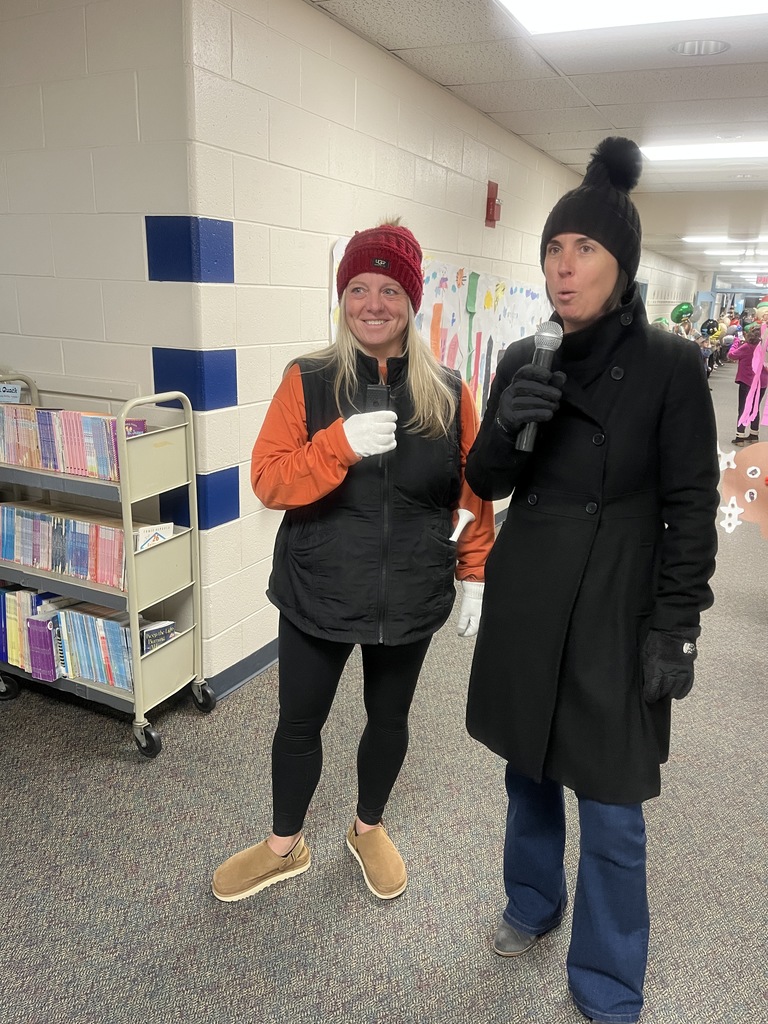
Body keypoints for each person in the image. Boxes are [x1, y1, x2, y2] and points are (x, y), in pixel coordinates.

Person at [463, 137, 719, 1024]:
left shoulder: (673, 367)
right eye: (553, 251)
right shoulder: (522, 359)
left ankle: (607, 980)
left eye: (585, 252)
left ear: (622, 266)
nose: (563, 270)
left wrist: (676, 625)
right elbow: (487, 480)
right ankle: (533, 901)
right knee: (527, 768)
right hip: (531, 591)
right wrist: (503, 425)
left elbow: (691, 505)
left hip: (618, 598)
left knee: (613, 803)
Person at [212, 221, 495, 903]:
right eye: (359, 288)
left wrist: (474, 571)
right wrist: (336, 443)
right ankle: (284, 846)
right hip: (319, 590)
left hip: (411, 594)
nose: (373, 302)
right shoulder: (307, 380)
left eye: (390, 289)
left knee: (389, 720)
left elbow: (471, 495)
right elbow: (269, 480)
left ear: (412, 300)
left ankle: (368, 827)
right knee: (298, 725)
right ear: (343, 297)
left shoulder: (450, 392)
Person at [728, 321, 767, 445]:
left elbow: (731, 355)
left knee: (744, 407)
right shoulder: (765, 348)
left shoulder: (747, 347)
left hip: (747, 381)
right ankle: (754, 435)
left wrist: (735, 343)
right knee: (755, 407)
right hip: (762, 382)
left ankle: (740, 436)